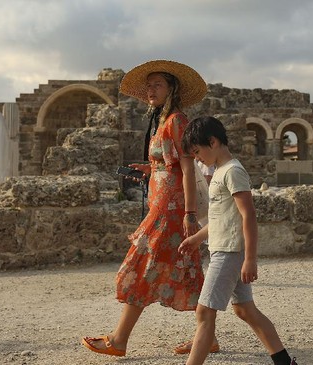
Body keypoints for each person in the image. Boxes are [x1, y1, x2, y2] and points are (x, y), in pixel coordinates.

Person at [81, 60, 209, 357]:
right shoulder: (162, 121)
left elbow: (188, 169)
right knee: (187, 269)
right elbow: (169, 165)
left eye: (157, 85)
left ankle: (119, 339)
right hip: (162, 201)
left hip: (171, 208)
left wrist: (189, 214)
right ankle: (208, 335)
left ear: (171, 89)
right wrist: (150, 169)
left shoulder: (177, 121)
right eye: (148, 85)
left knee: (143, 265)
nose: (151, 90)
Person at [179, 116, 298, 365]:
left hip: (229, 253)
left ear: (212, 142)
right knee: (245, 310)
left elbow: (249, 215)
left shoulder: (233, 171)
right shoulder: (221, 172)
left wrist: (251, 259)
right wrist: (196, 239)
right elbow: (221, 219)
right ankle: (285, 362)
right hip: (225, 250)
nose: (197, 158)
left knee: (204, 312)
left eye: (197, 151)